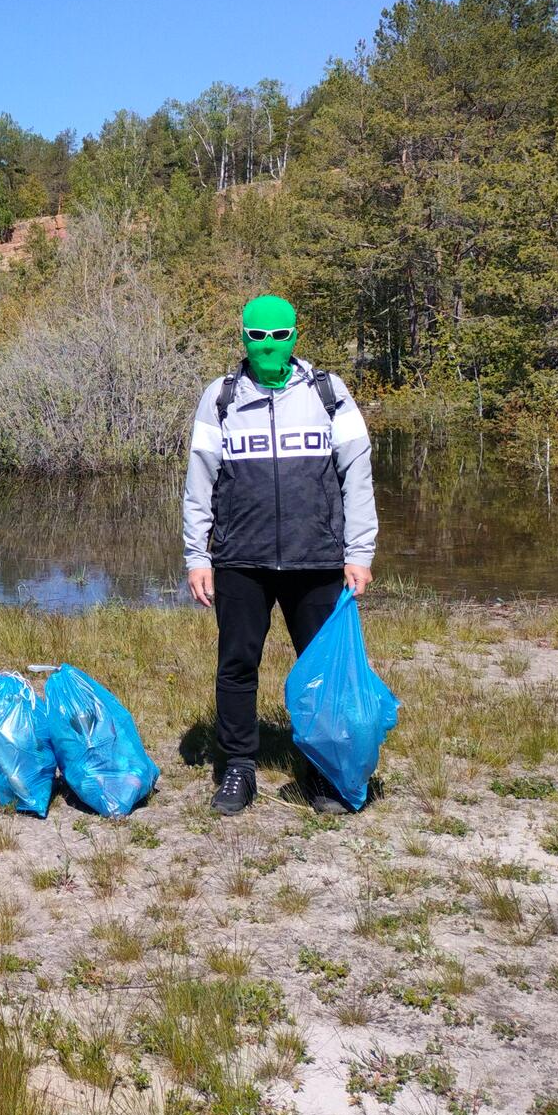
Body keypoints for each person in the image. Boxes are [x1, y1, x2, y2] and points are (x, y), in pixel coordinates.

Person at [182, 294, 377, 815]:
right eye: (258, 336)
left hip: (317, 559)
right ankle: (238, 769)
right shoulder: (219, 398)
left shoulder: (329, 394)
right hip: (239, 559)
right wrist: (197, 556)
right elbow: (199, 484)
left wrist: (359, 551)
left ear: (295, 335)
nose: (268, 345)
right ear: (243, 336)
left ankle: (325, 772)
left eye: (278, 336)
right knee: (237, 664)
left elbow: (357, 476)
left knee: (321, 670)